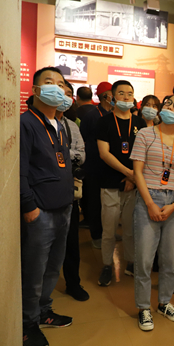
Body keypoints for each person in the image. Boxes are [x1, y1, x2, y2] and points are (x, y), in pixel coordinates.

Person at [20, 67, 74, 346]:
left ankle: (44, 311)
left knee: (53, 267)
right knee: (34, 271)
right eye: (49, 82)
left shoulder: (60, 124)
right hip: (40, 212)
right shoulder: (26, 123)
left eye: (61, 84)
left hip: (63, 208)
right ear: (35, 90)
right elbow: (20, 169)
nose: (57, 88)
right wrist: (29, 206)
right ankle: (28, 325)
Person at [130, 94, 174, 331]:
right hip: (149, 199)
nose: (170, 107)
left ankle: (165, 302)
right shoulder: (145, 134)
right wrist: (150, 204)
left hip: (173, 203)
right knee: (145, 259)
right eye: (168, 103)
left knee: (169, 258)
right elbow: (137, 172)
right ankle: (143, 307)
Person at [96, 80, 147, 286]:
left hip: (133, 185)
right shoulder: (104, 122)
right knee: (109, 230)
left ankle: (131, 262)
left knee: (130, 228)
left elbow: (144, 154)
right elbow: (104, 153)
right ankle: (107, 265)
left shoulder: (140, 123)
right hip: (110, 183)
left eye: (130, 94)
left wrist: (133, 179)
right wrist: (129, 174)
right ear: (113, 97)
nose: (126, 97)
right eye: (121, 93)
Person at [59, 81, 90, 302]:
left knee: (71, 243)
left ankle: (73, 283)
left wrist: (60, 154)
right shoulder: (31, 123)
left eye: (69, 93)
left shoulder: (71, 125)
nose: (65, 96)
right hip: (42, 195)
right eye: (61, 92)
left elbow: (81, 155)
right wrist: (65, 154)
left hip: (69, 191)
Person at [79, 81, 113, 248]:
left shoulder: (114, 115)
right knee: (95, 201)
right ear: (105, 96)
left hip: (110, 166)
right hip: (94, 165)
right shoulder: (91, 115)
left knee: (109, 202)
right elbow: (83, 139)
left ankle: (108, 233)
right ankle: (96, 235)